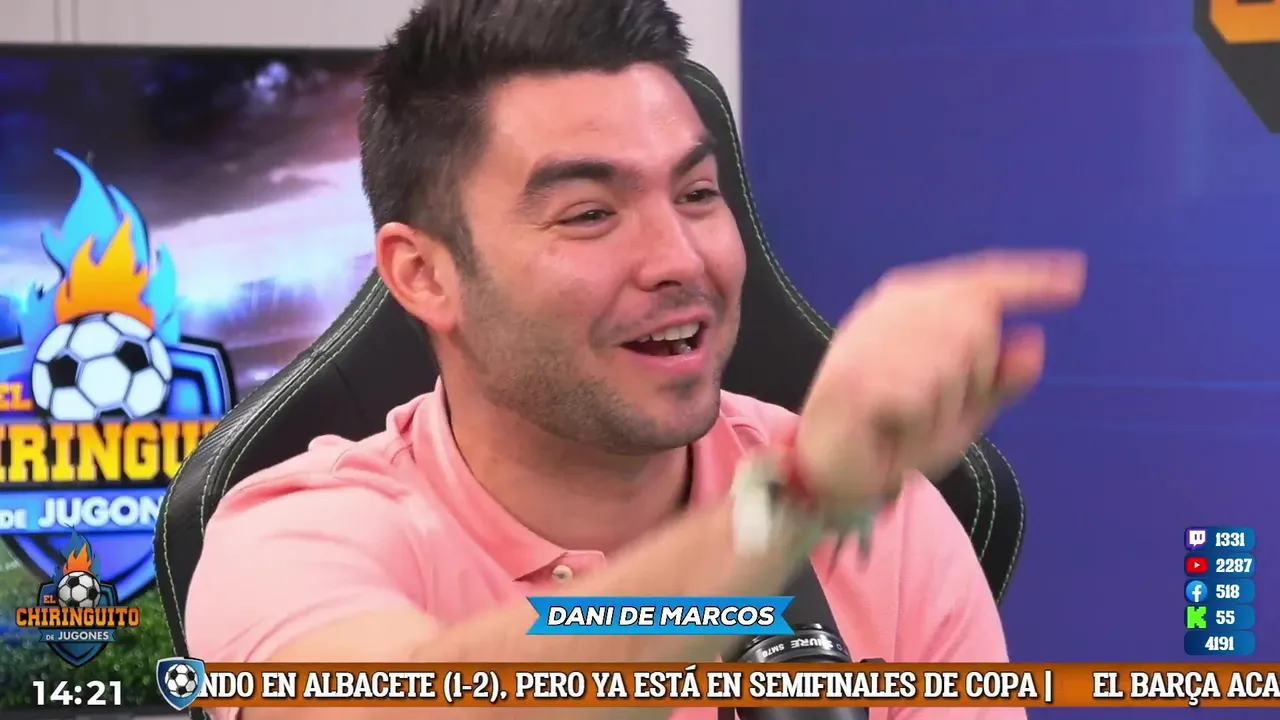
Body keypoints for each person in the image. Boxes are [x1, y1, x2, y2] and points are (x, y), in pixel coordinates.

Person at [185, 0, 1086, 718]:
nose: (680, 259)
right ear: (424, 274)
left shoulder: (886, 522)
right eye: (589, 213)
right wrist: (793, 507)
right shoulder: (294, 535)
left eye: (697, 194)